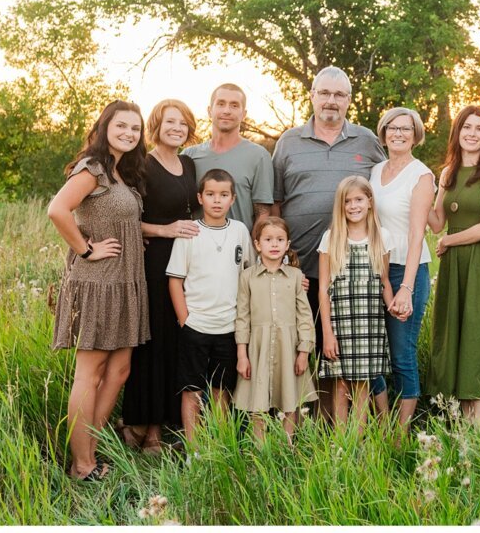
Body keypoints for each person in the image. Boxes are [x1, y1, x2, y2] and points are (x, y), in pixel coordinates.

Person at [271, 66, 386, 417]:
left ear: (349, 100)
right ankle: (308, 423)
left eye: (339, 95)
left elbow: (384, 189)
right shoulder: (289, 142)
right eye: (325, 93)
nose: (331, 101)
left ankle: (352, 426)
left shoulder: (366, 141)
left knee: (347, 351)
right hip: (300, 265)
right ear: (312, 96)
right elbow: (275, 203)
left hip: (354, 272)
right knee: (306, 346)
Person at [47, 100, 150, 481]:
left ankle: (89, 450)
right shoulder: (91, 169)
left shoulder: (122, 173)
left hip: (127, 282)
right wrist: (86, 249)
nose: (128, 133)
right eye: (121, 125)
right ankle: (81, 465)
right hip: (99, 282)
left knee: (119, 370)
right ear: (105, 126)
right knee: (90, 374)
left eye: (135, 129)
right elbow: (57, 209)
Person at [121, 99, 201, 455]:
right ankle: (143, 427)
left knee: (175, 343)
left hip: (184, 266)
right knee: (151, 344)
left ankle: (163, 427)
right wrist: (164, 230)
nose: (177, 128)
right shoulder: (141, 166)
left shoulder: (188, 163)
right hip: (153, 263)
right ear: (156, 125)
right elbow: (125, 221)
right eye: (171, 122)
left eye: (183, 123)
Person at [426, 105, 480, 421]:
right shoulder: (447, 173)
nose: (472, 134)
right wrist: (416, 189)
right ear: (457, 133)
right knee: (452, 334)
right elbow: (436, 222)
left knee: (479, 335)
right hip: (453, 266)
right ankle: (456, 419)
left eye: (479, 128)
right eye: (466, 127)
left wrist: (447, 241)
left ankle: (479, 426)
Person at [166, 169, 253, 442]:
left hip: (229, 326)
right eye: (211, 195)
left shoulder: (240, 231)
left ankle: (219, 444)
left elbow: (250, 274)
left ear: (232, 199)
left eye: (224, 195)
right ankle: (193, 448)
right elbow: (175, 280)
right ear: (200, 198)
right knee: (191, 390)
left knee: (221, 390)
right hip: (196, 326)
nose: (217, 201)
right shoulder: (190, 232)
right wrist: (184, 319)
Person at [368, 107, 433, 430]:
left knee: (401, 355)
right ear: (383, 132)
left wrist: (405, 287)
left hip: (409, 271)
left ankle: (401, 433)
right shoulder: (376, 171)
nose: (398, 133)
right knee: (372, 353)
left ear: (415, 135)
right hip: (377, 270)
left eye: (406, 129)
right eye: (392, 128)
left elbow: (417, 233)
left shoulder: (421, 175)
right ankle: (383, 423)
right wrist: (381, 279)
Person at [317, 176, 395, 430]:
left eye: (359, 200)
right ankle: (342, 441)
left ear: (370, 202)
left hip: (368, 325)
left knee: (362, 386)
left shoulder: (381, 237)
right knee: (340, 386)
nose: (353, 206)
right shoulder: (331, 238)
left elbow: (383, 280)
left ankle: (358, 442)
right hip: (340, 324)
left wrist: (394, 305)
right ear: (341, 206)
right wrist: (327, 333)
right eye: (347, 201)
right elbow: (323, 289)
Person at [233, 217, 316, 443]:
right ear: (257, 244)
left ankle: (286, 447)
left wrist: (304, 352)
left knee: (289, 400)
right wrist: (242, 355)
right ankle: (260, 449)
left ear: (287, 244)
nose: (274, 244)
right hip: (257, 349)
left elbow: (305, 316)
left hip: (288, 347)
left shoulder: (296, 277)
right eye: (268, 239)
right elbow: (242, 317)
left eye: (280, 240)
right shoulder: (247, 277)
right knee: (257, 403)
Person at [184, 83, 273, 228]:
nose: (227, 110)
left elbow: (263, 213)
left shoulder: (259, 156)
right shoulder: (189, 156)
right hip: (197, 246)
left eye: (234, 105)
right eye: (220, 104)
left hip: (240, 247)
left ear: (244, 114)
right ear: (209, 111)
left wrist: (251, 248)